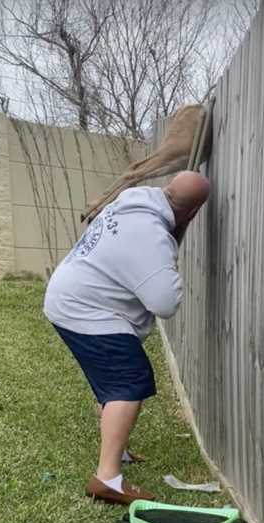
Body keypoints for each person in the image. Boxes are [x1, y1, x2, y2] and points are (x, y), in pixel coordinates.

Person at [44, 171, 211, 505]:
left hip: (70, 295)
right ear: (192, 214)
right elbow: (164, 303)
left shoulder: (133, 202)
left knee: (112, 378)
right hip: (87, 309)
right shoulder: (151, 236)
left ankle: (117, 452)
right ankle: (107, 478)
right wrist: (169, 265)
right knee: (127, 381)